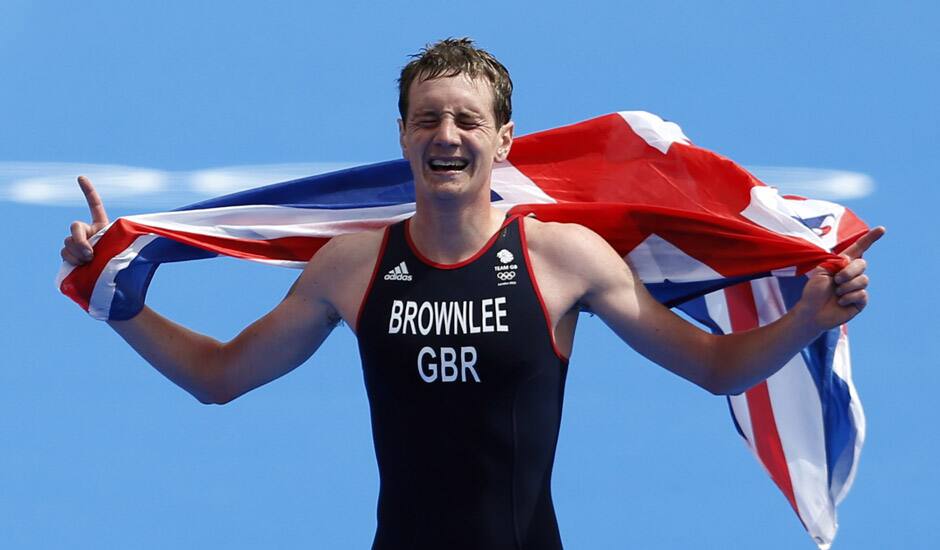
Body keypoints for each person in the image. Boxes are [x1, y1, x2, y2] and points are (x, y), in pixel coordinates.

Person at [61, 38, 883, 549]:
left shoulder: (565, 258)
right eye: (427, 119)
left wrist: (809, 316)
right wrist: (115, 297)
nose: (445, 136)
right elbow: (221, 377)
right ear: (403, 136)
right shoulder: (352, 267)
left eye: (465, 120)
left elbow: (713, 367)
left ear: (502, 141)